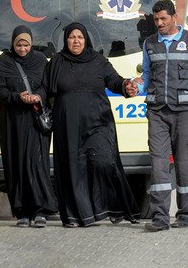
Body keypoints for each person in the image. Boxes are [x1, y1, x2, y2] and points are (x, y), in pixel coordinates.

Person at [42, 22, 139, 228]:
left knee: (104, 161)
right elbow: (46, 90)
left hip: (98, 122)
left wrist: (125, 86)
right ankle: (76, 215)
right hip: (67, 126)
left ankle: (114, 206)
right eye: (72, 37)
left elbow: (114, 80)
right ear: (66, 40)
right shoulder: (56, 62)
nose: (76, 41)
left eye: (80, 37)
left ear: (86, 40)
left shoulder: (98, 60)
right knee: (73, 169)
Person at [137, 0, 188, 232]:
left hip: (184, 113)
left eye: (163, 19)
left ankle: (185, 214)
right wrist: (135, 88)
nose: (159, 23)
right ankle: (160, 217)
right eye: (156, 19)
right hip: (157, 112)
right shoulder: (149, 44)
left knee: (184, 163)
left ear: (174, 17)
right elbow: (146, 78)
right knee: (158, 164)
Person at [0, 25, 58, 228]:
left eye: (26, 44)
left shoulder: (39, 60)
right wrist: (17, 97)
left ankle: (39, 210)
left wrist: (38, 96)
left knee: (36, 163)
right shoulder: (3, 62)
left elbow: (47, 85)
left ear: (31, 43)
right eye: (18, 45)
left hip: (35, 119)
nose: (22, 49)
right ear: (12, 44)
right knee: (16, 162)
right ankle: (21, 211)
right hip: (13, 120)